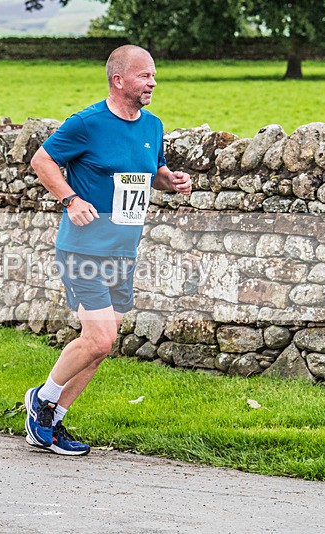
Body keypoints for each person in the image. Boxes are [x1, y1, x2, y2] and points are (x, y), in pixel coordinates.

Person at [24, 45, 192, 455]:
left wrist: (172, 181)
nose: (153, 82)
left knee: (101, 345)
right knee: (98, 339)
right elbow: (41, 161)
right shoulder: (86, 123)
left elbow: (151, 173)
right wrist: (70, 199)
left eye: (153, 76)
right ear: (118, 80)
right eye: (144, 76)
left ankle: (54, 422)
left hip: (123, 253)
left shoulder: (153, 126)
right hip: (83, 249)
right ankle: (41, 401)